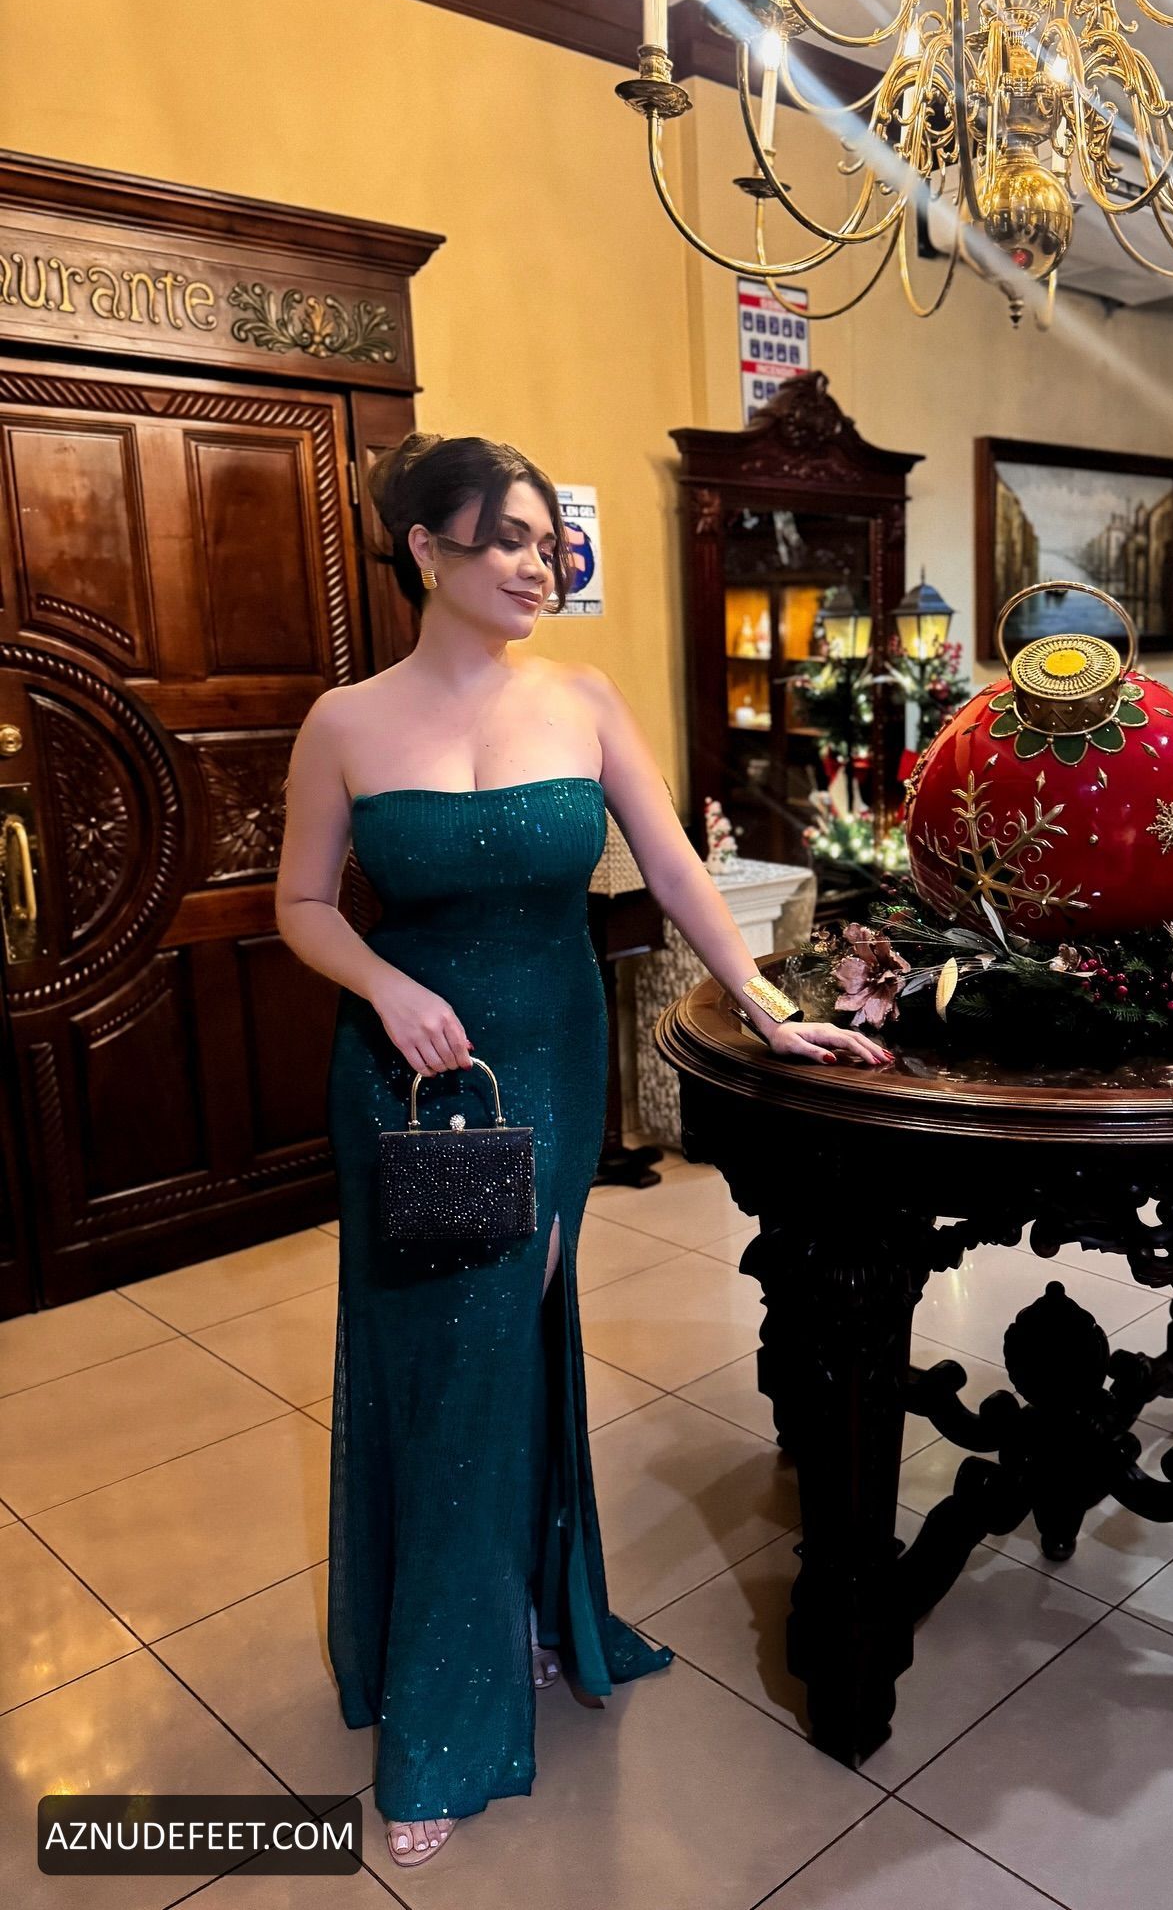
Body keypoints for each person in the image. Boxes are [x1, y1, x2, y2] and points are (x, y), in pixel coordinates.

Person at [274, 432, 893, 1869]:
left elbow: (673, 867)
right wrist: (385, 986)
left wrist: (767, 1003)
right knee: (438, 1359)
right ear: (425, 550)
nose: (535, 566)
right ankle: (459, 1675)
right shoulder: (344, 722)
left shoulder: (585, 700)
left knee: (503, 1343)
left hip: (545, 1065)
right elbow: (300, 904)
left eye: (547, 544)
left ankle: (509, 1630)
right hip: (406, 1073)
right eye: (505, 540)